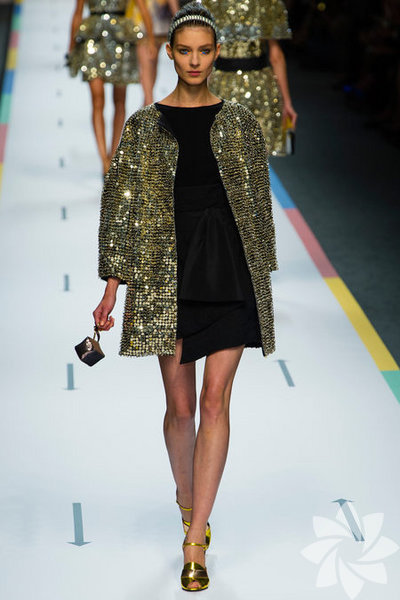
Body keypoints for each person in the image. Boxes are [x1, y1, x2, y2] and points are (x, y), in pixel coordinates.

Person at [93, 1, 277, 591]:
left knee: (216, 400)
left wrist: (262, 276)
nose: (195, 60)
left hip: (230, 269)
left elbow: (258, 204)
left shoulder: (241, 121)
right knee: (181, 407)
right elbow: (121, 206)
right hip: (165, 270)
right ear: (170, 54)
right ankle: (186, 498)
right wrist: (112, 286)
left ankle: (195, 539)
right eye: (185, 51)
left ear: (215, 54)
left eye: (204, 51)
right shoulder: (144, 126)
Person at [67, 0, 156, 175]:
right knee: (97, 99)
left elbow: (142, 7)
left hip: (121, 39)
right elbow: (78, 12)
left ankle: (113, 154)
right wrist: (71, 47)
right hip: (93, 39)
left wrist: (151, 39)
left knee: (119, 101)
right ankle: (104, 160)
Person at [202, 0, 297, 156]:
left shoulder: (211, 2)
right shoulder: (267, 2)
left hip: (222, 85)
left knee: (225, 154)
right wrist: (287, 102)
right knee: (257, 156)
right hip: (260, 87)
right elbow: (276, 57)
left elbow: (205, 54)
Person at [134, 0, 180, 105]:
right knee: (149, 63)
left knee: (151, 63)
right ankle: (148, 102)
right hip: (146, 24)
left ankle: (147, 102)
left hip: (156, 21)